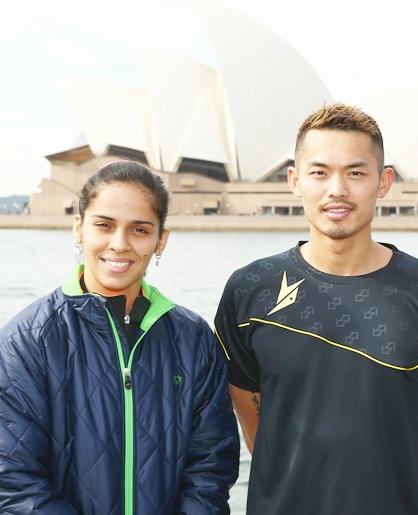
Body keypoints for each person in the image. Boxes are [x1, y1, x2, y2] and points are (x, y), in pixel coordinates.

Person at [214, 103, 418, 515]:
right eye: (319, 172)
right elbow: (254, 425)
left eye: (355, 172)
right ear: (294, 180)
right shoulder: (250, 289)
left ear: (383, 182)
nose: (337, 190)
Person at [0, 161, 239, 514]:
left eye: (139, 230)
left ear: (161, 240)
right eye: (104, 225)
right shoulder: (27, 340)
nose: (119, 244)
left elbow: (210, 472)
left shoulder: (194, 340)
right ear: (79, 228)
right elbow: (14, 482)